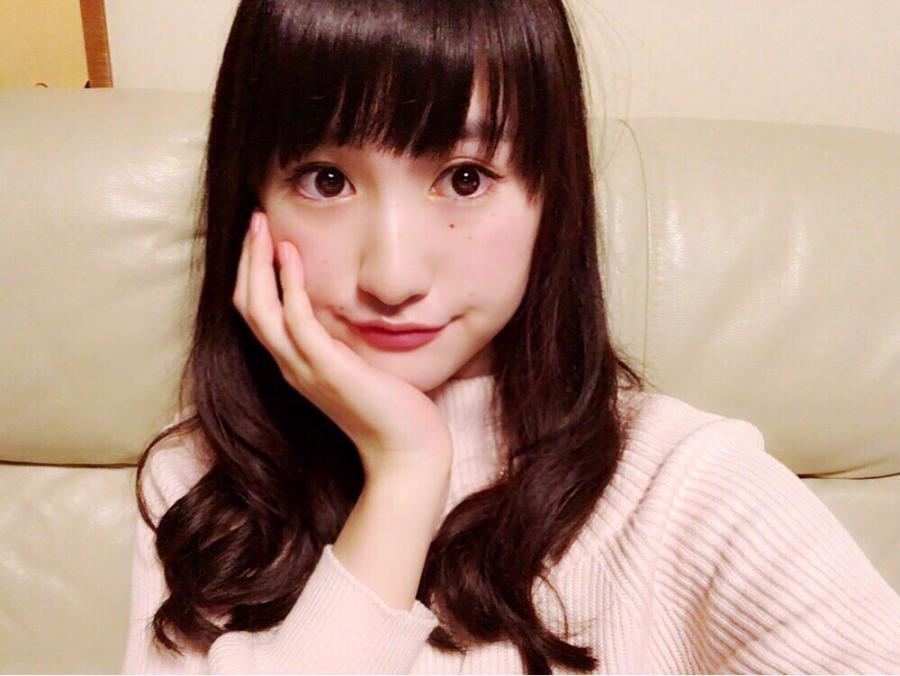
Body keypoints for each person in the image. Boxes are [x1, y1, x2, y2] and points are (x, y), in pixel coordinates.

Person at [120, 0, 900, 674]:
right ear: (250, 199)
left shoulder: (687, 483)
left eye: (465, 178)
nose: (392, 276)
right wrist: (404, 473)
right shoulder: (197, 484)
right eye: (326, 180)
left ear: (549, 199)